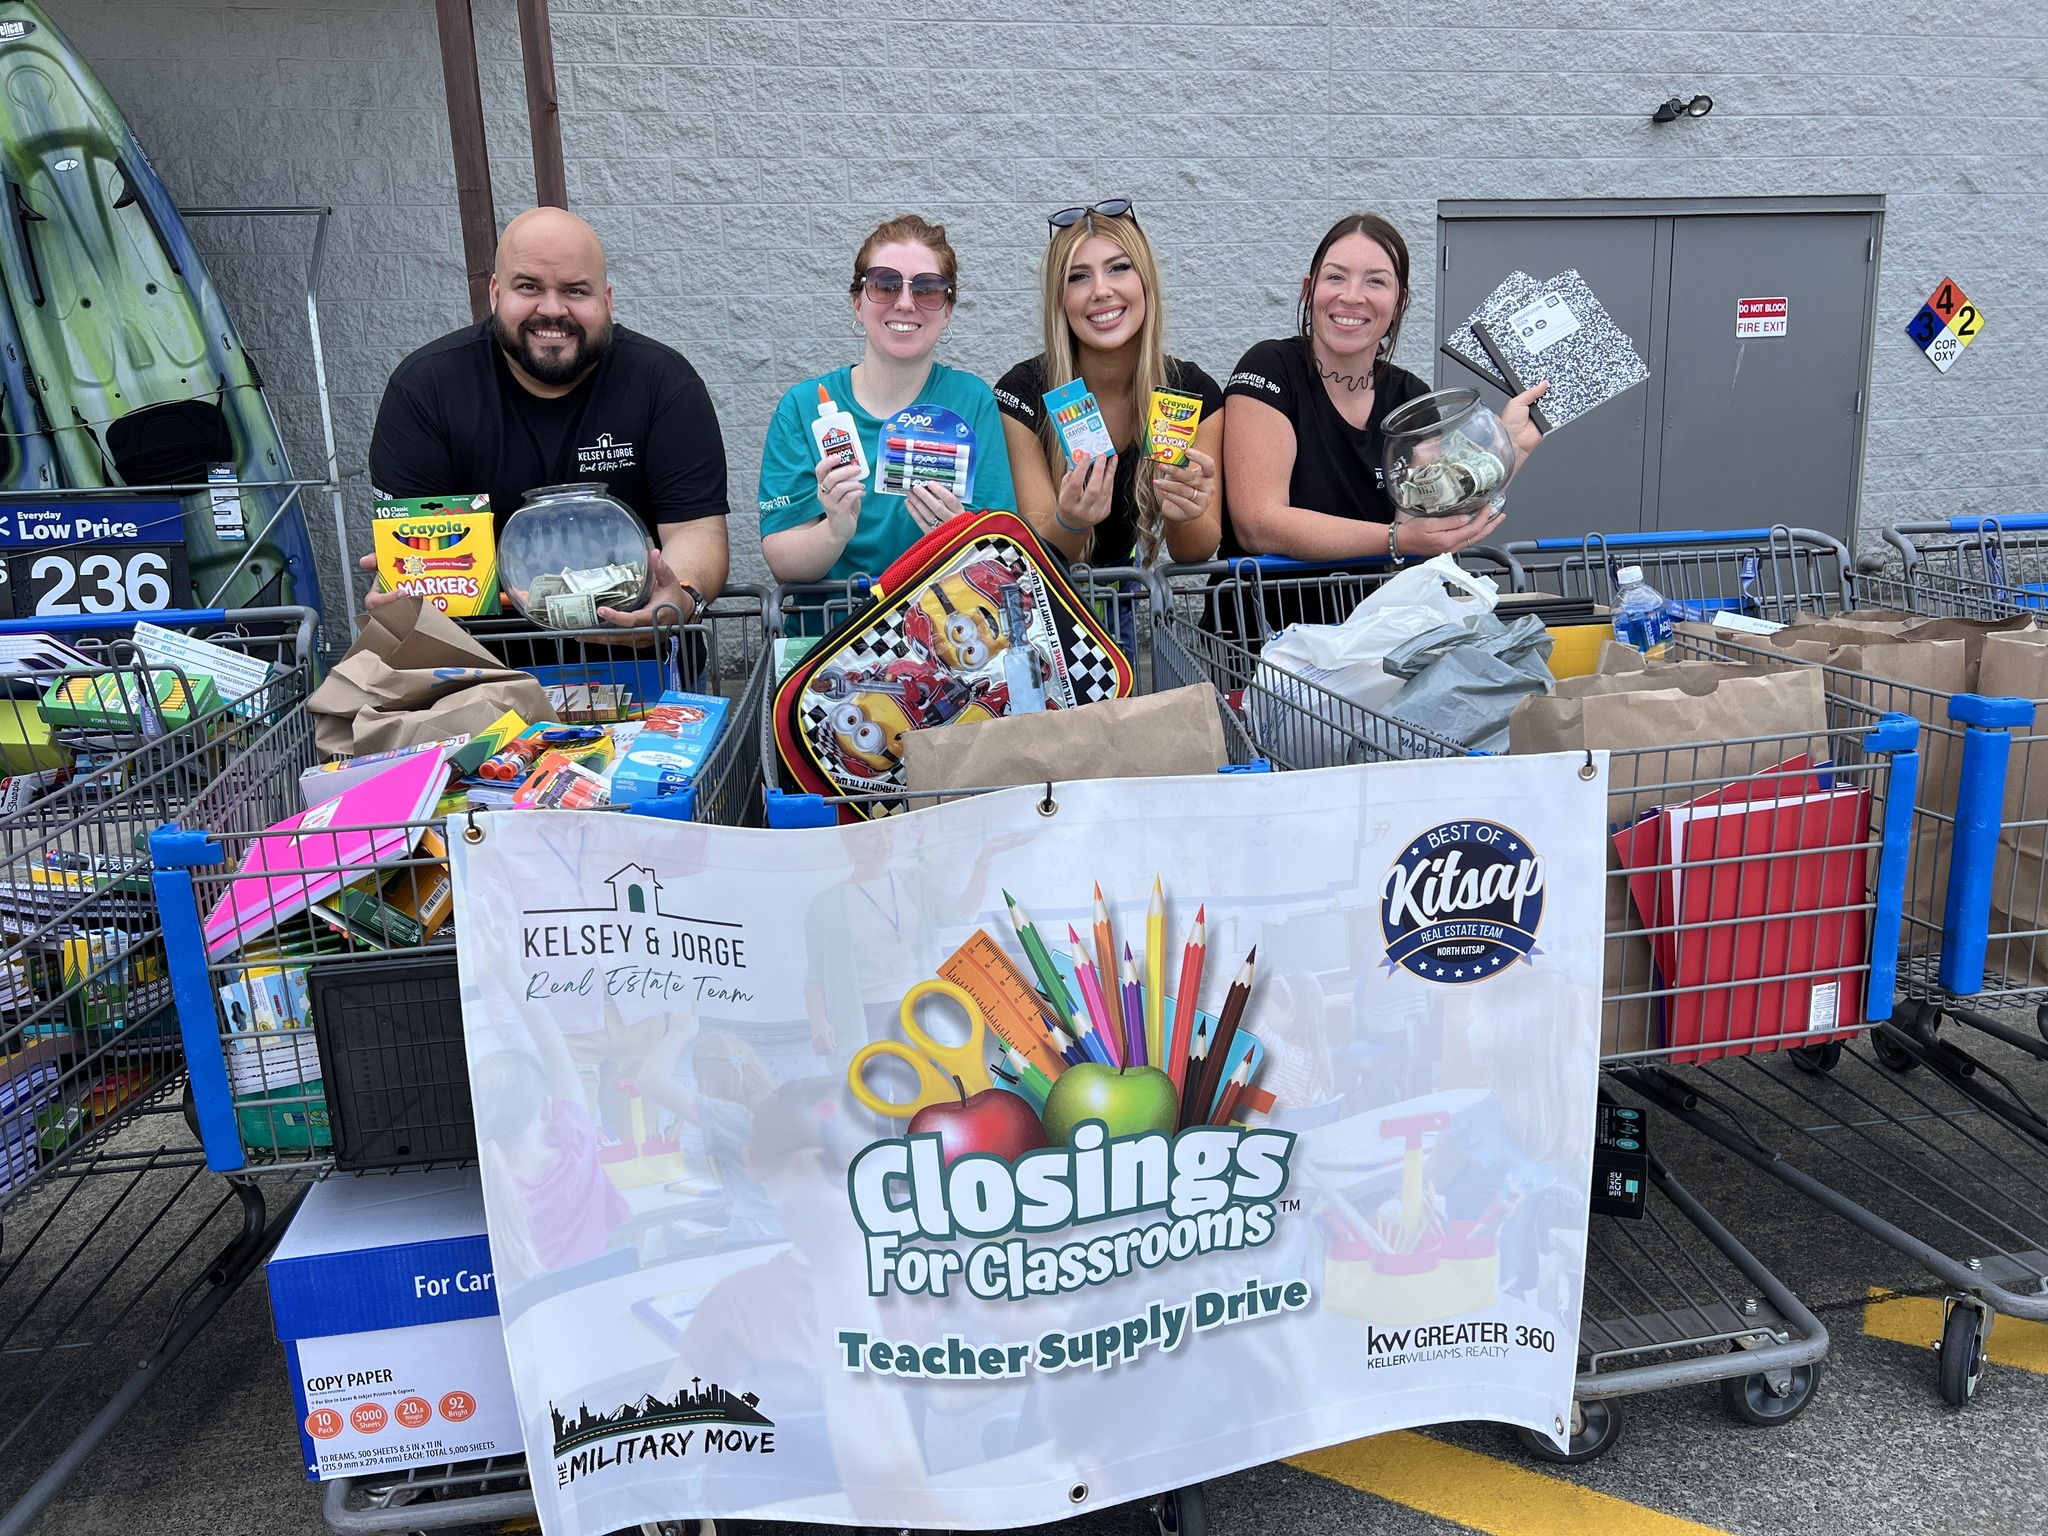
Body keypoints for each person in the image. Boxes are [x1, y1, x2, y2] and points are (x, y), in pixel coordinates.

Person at [363, 206, 729, 627]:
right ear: (496, 294)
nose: (552, 309)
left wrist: (676, 598)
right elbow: (420, 547)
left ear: (606, 301)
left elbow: (695, 531)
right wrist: (406, 577)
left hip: (643, 661)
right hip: (479, 667)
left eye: (575, 290)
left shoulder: (662, 382)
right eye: (529, 287)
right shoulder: (425, 390)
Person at [1221, 212, 1547, 564]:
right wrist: (1396, 539)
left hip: (1378, 616)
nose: (1352, 296)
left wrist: (1512, 445)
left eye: (1375, 282)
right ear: (1308, 289)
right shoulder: (1271, 367)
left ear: (1399, 304)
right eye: (1335, 277)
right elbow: (1258, 524)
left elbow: (1438, 521)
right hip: (1265, 614)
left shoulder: (1412, 398)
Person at [758, 215, 1015, 586]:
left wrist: (959, 536)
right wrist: (835, 530)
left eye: (927, 289)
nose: (906, 303)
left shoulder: (971, 400)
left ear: (948, 310)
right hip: (833, 631)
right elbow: (784, 564)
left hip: (941, 631)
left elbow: (1001, 553)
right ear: (857, 303)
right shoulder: (802, 408)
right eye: (885, 284)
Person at [994, 200, 1221, 568]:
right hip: (1049, 611)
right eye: (1078, 276)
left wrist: (1186, 511)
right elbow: (1035, 557)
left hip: (1126, 606)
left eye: (1118, 268)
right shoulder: (1021, 394)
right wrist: (1071, 521)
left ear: (1145, 281)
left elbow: (1195, 551)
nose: (1101, 290)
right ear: (1059, 299)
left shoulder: (1187, 392)